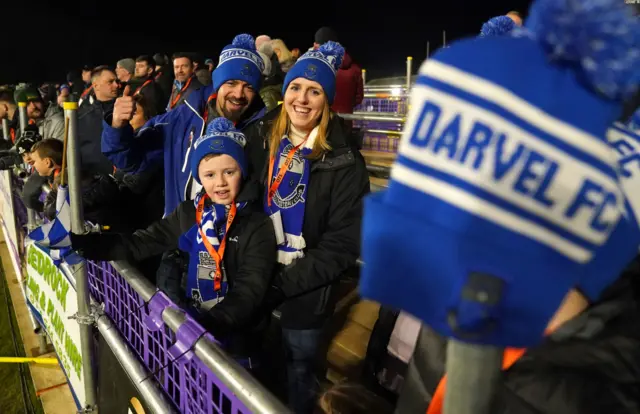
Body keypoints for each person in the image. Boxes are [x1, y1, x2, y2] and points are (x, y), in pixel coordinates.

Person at [71, 118, 277, 355]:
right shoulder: (189, 212)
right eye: (209, 175)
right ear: (199, 177)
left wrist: (206, 327)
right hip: (190, 327)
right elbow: (142, 242)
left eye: (229, 172)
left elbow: (250, 289)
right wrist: (87, 245)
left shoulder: (257, 224)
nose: (220, 183)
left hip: (235, 339)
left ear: (242, 171)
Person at [244, 41, 370, 413]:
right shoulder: (262, 139)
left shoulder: (346, 161)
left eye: (314, 91)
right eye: (296, 87)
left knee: (299, 375)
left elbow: (343, 244)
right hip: (253, 282)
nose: (302, 98)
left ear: (327, 101)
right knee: (254, 372)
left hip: (304, 295)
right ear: (285, 94)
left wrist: (282, 285)